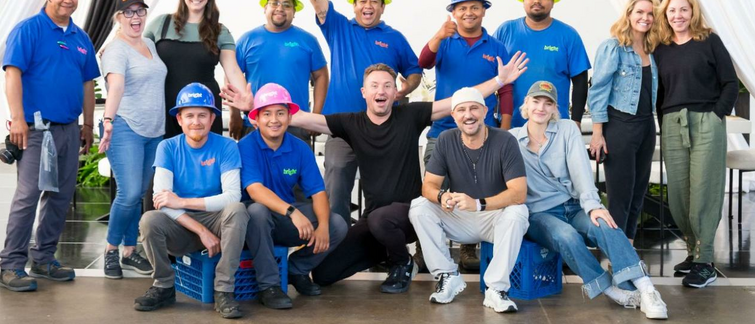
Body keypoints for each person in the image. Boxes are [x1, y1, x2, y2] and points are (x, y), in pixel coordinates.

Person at [222, 52, 529, 296]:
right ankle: (378, 252)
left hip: (411, 215)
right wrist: (256, 105)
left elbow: (459, 101)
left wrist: (498, 81)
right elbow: (298, 117)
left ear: (395, 92)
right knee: (326, 274)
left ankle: (401, 262)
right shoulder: (351, 122)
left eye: (387, 85)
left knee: (384, 219)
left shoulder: (410, 115)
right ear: (364, 92)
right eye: (374, 86)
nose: (381, 90)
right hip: (375, 219)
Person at [511, 81, 668, 319]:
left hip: (573, 207)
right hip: (540, 214)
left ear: (555, 108)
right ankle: (610, 290)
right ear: (526, 104)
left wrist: (594, 206)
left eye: (548, 103)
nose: (541, 108)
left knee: (606, 224)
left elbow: (581, 171)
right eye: (536, 101)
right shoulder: (512, 140)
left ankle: (646, 289)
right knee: (567, 236)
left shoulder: (567, 130)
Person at [288, 0, 423, 223]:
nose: (368, 6)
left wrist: (404, 90)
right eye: (362, 0)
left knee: (390, 190)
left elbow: (414, 71)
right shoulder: (339, 27)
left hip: (384, 129)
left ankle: (385, 241)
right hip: (342, 129)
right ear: (354, 5)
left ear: (383, 6)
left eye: (374, 0)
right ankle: (335, 238)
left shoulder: (395, 38)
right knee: (336, 175)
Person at [0, 0, 98, 292]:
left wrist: (87, 124)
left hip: (69, 129)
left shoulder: (81, 38)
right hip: (36, 128)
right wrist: (17, 119)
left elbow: (87, 84)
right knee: (28, 195)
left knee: (60, 196)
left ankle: (43, 258)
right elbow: (12, 74)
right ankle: (12, 264)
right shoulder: (29, 30)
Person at [419, 0, 514, 272]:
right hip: (441, 131)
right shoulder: (444, 41)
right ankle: (428, 251)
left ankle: (469, 250)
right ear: (454, 12)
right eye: (462, 8)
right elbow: (423, 61)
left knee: (476, 187)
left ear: (484, 11)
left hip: (482, 134)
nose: (469, 13)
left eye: (475, 7)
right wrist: (438, 35)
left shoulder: (496, 47)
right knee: (435, 191)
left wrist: (505, 131)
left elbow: (506, 90)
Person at [133, 83, 249, 319]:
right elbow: (163, 201)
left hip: (217, 219)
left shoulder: (227, 146)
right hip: (182, 225)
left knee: (237, 210)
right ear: (179, 119)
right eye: (190, 115)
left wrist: (182, 201)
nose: (196, 121)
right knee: (149, 220)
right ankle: (164, 285)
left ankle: (224, 290)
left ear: (212, 118)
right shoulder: (167, 147)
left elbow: (232, 196)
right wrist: (201, 231)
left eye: (202, 115)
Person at [410, 87, 529, 313]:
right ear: (453, 116)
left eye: (474, 108)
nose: (468, 115)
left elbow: (518, 193)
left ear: (484, 111)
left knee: (518, 211)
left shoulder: (505, 140)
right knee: (419, 207)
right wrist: (442, 196)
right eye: (461, 110)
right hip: (461, 217)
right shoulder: (445, 140)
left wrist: (479, 203)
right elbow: (428, 186)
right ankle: (448, 275)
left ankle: (496, 289)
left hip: (494, 218)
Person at [653, 0, 738, 288]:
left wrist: (717, 115)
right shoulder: (660, 49)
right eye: (672, 10)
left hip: (706, 122)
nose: (678, 15)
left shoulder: (709, 41)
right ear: (666, 14)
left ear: (693, 13)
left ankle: (705, 262)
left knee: (704, 191)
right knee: (678, 194)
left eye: (683, 10)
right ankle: (693, 251)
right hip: (672, 124)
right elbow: (658, 91)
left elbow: (730, 82)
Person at [241, 83, 347, 309]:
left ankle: (297, 270)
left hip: (284, 220)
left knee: (337, 223)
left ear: (290, 118)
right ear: (255, 119)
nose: (274, 120)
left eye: (280, 113)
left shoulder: (299, 148)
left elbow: (318, 191)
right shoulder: (246, 146)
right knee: (256, 211)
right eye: (266, 114)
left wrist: (323, 225)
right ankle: (269, 286)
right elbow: (254, 190)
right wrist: (292, 212)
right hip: (255, 223)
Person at [97, 0, 163, 280]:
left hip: (153, 130)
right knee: (130, 192)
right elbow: (117, 86)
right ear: (118, 18)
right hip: (124, 126)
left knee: (138, 195)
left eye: (140, 11)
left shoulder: (149, 43)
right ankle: (111, 250)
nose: (135, 17)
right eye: (129, 12)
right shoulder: (115, 50)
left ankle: (129, 251)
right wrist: (108, 120)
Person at [588, 0, 661, 243]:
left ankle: (628, 250)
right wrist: (598, 134)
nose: (645, 17)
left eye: (650, 13)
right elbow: (598, 89)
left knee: (638, 193)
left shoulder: (652, 49)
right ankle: (616, 258)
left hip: (646, 125)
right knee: (620, 195)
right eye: (640, 12)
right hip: (620, 125)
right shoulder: (613, 47)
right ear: (628, 14)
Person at [143, 0, 248, 138]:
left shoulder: (220, 31)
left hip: (205, 109)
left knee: (206, 161)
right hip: (165, 106)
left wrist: (248, 100)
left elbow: (233, 70)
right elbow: (136, 50)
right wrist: (118, 44)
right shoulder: (161, 24)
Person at [231, 0, 328, 145]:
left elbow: (321, 76)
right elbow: (232, 77)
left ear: (294, 11)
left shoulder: (307, 41)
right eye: (274, 3)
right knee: (255, 170)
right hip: (255, 122)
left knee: (295, 171)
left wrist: (316, 115)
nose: (280, 8)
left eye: (286, 4)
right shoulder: (247, 40)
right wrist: (234, 115)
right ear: (265, 8)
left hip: (297, 123)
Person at [495, 0, 591, 127]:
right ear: (523, 0)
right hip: (512, 125)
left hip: (555, 125)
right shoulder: (506, 31)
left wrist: (576, 122)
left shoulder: (568, 35)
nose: (537, 1)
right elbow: (490, 73)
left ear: (553, 2)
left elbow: (580, 82)